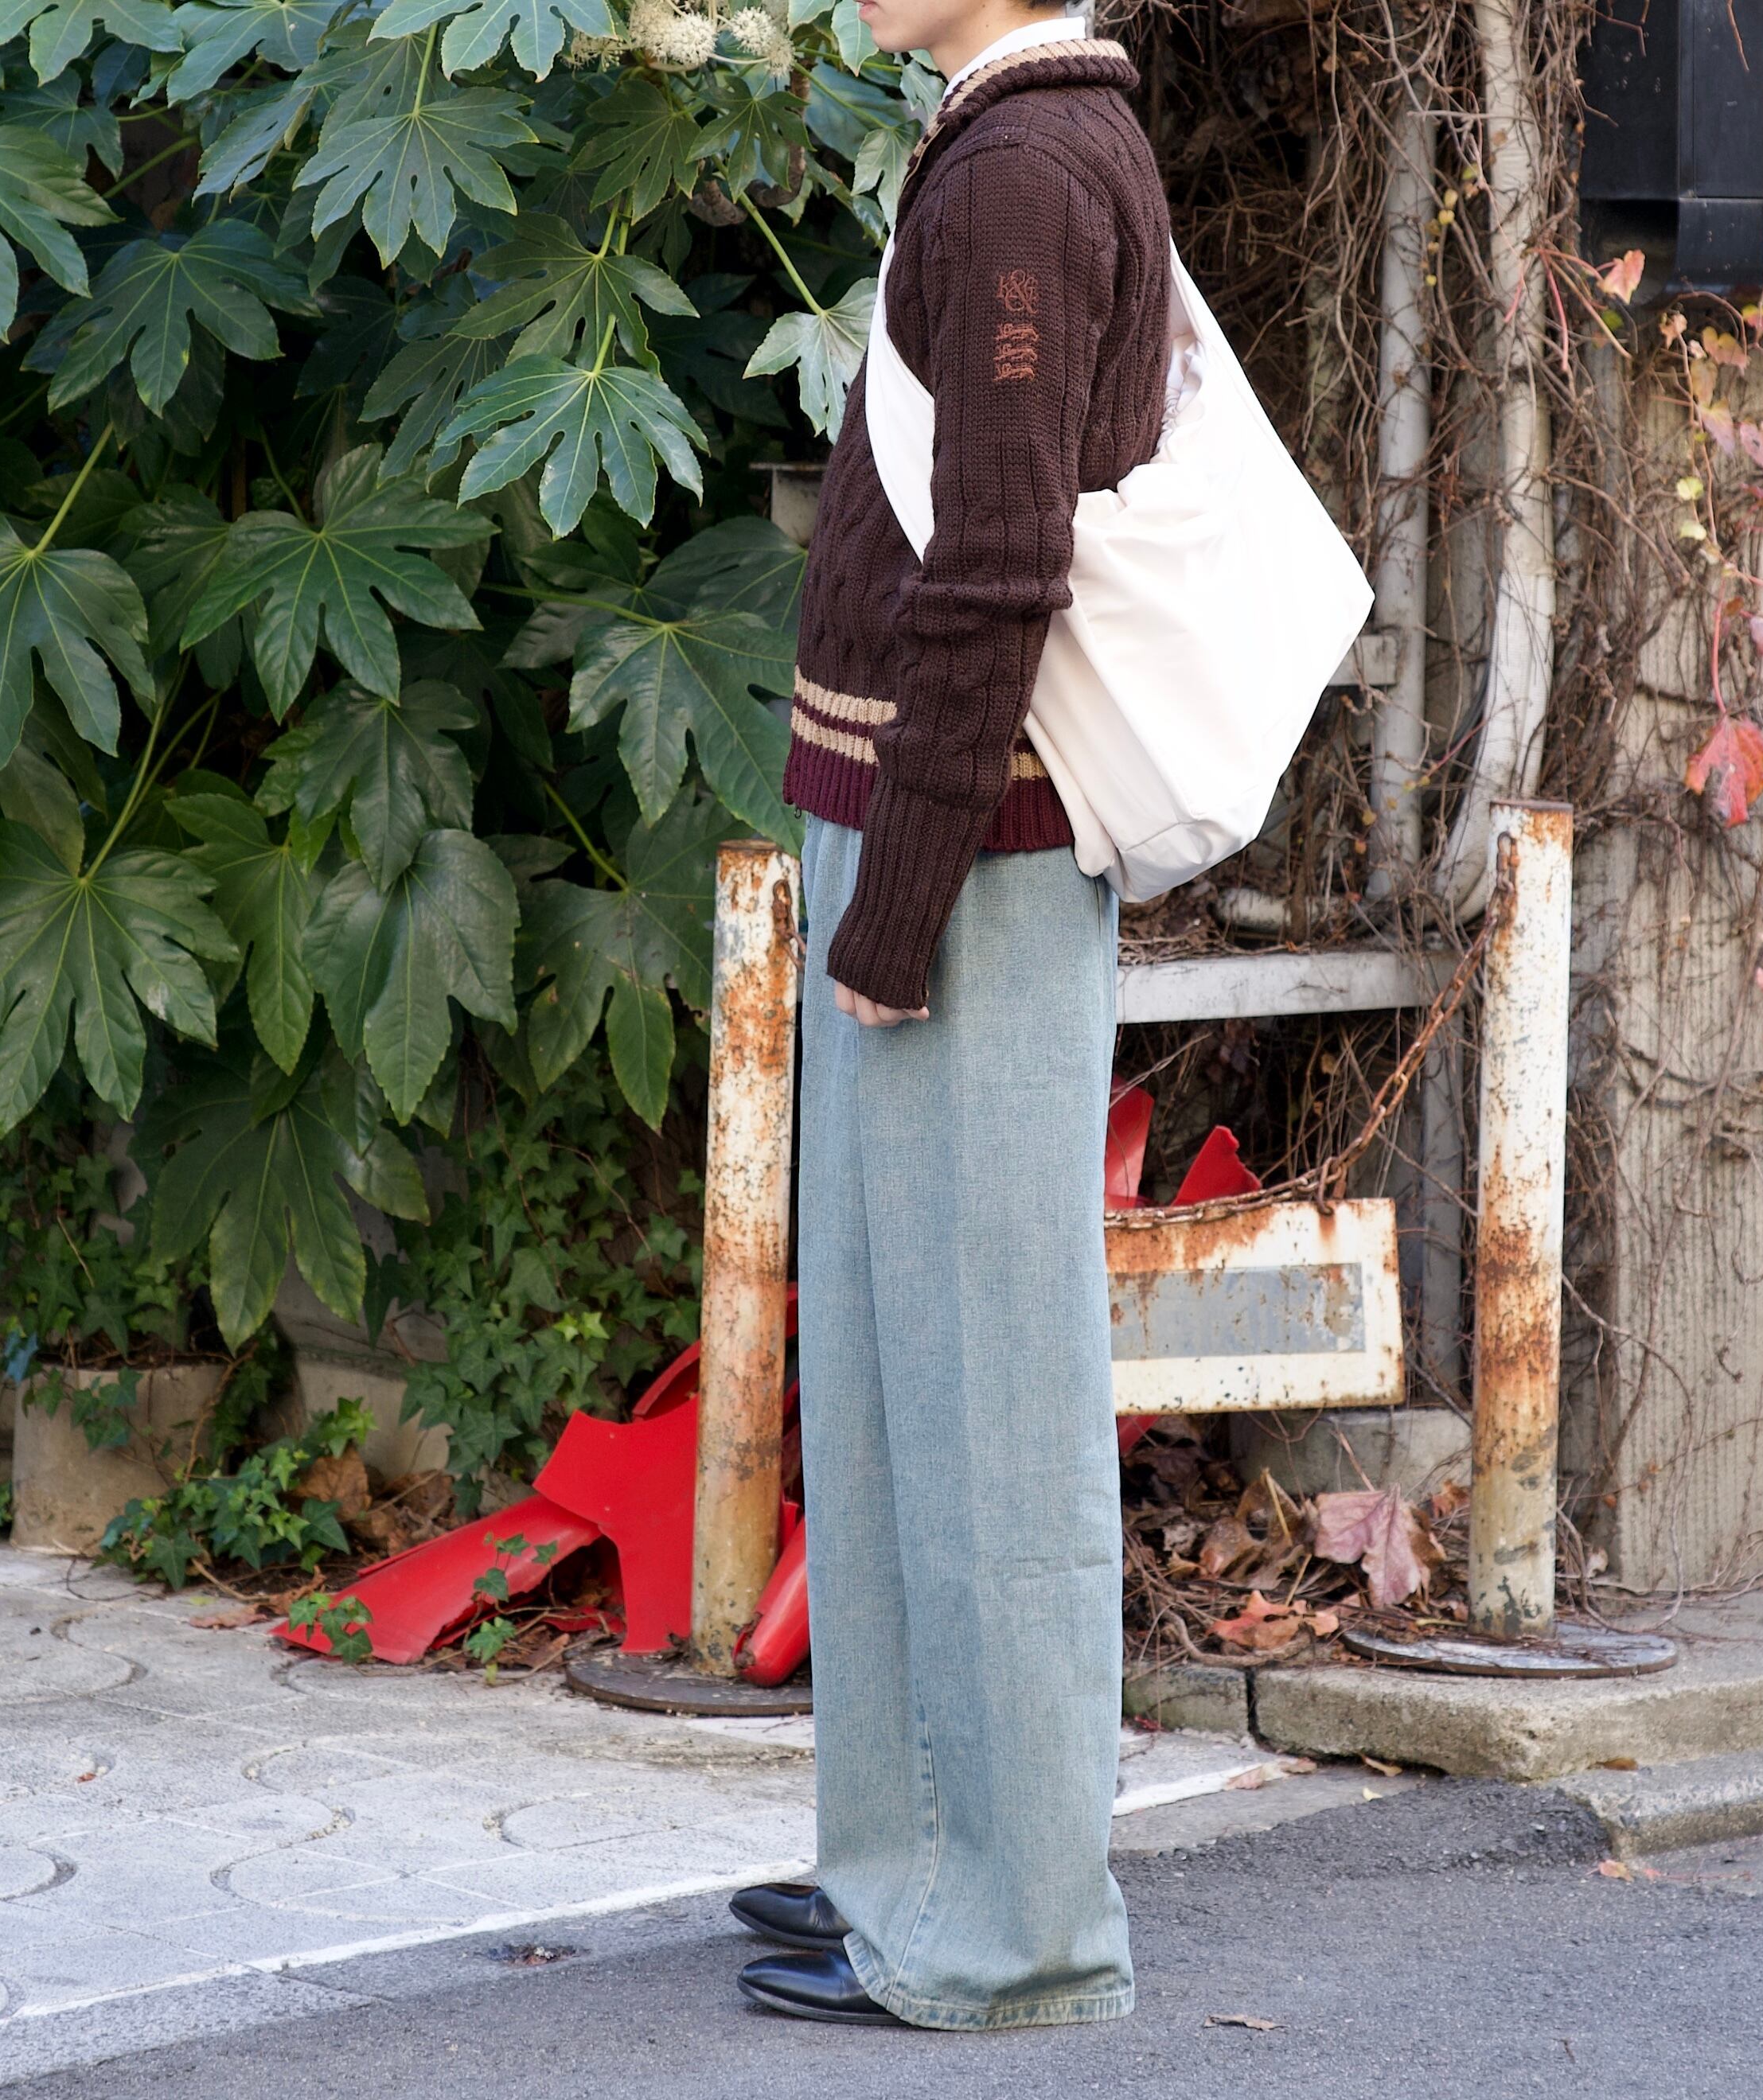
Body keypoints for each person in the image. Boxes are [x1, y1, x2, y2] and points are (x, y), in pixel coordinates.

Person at [725, 0, 1175, 2033]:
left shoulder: (1021, 174)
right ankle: (910, 1865)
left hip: (969, 858)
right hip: (940, 841)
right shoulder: (1021, 143)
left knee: (987, 1401)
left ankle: (1014, 1933)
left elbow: (1001, 571)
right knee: (900, 1380)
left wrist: (894, 908)